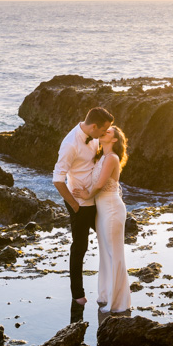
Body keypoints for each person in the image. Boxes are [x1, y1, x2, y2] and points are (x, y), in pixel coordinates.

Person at [53, 107, 114, 305]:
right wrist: (74, 205)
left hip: (96, 199)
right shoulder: (71, 144)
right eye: (103, 130)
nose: (105, 133)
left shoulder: (94, 136)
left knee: (107, 240)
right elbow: (57, 180)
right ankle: (77, 294)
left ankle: (111, 285)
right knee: (80, 247)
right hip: (79, 202)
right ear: (94, 126)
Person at [73, 126, 131, 314]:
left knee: (114, 253)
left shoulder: (112, 157)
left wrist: (86, 194)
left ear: (114, 140)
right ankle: (106, 294)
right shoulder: (101, 157)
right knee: (106, 254)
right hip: (102, 211)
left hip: (112, 209)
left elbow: (99, 184)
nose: (105, 132)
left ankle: (119, 302)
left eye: (109, 132)